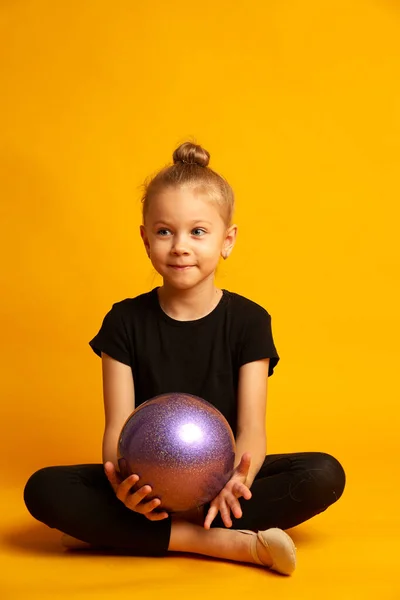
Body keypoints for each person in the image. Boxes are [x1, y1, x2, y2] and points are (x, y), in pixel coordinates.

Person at [24, 141, 346, 576]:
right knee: (44, 489)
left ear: (226, 241)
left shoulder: (250, 321)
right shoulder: (123, 321)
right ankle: (223, 544)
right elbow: (117, 426)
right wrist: (123, 489)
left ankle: (119, 533)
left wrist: (238, 482)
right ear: (144, 239)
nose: (179, 246)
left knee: (323, 473)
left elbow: (252, 428)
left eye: (198, 231)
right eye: (164, 231)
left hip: (221, 482)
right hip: (148, 487)